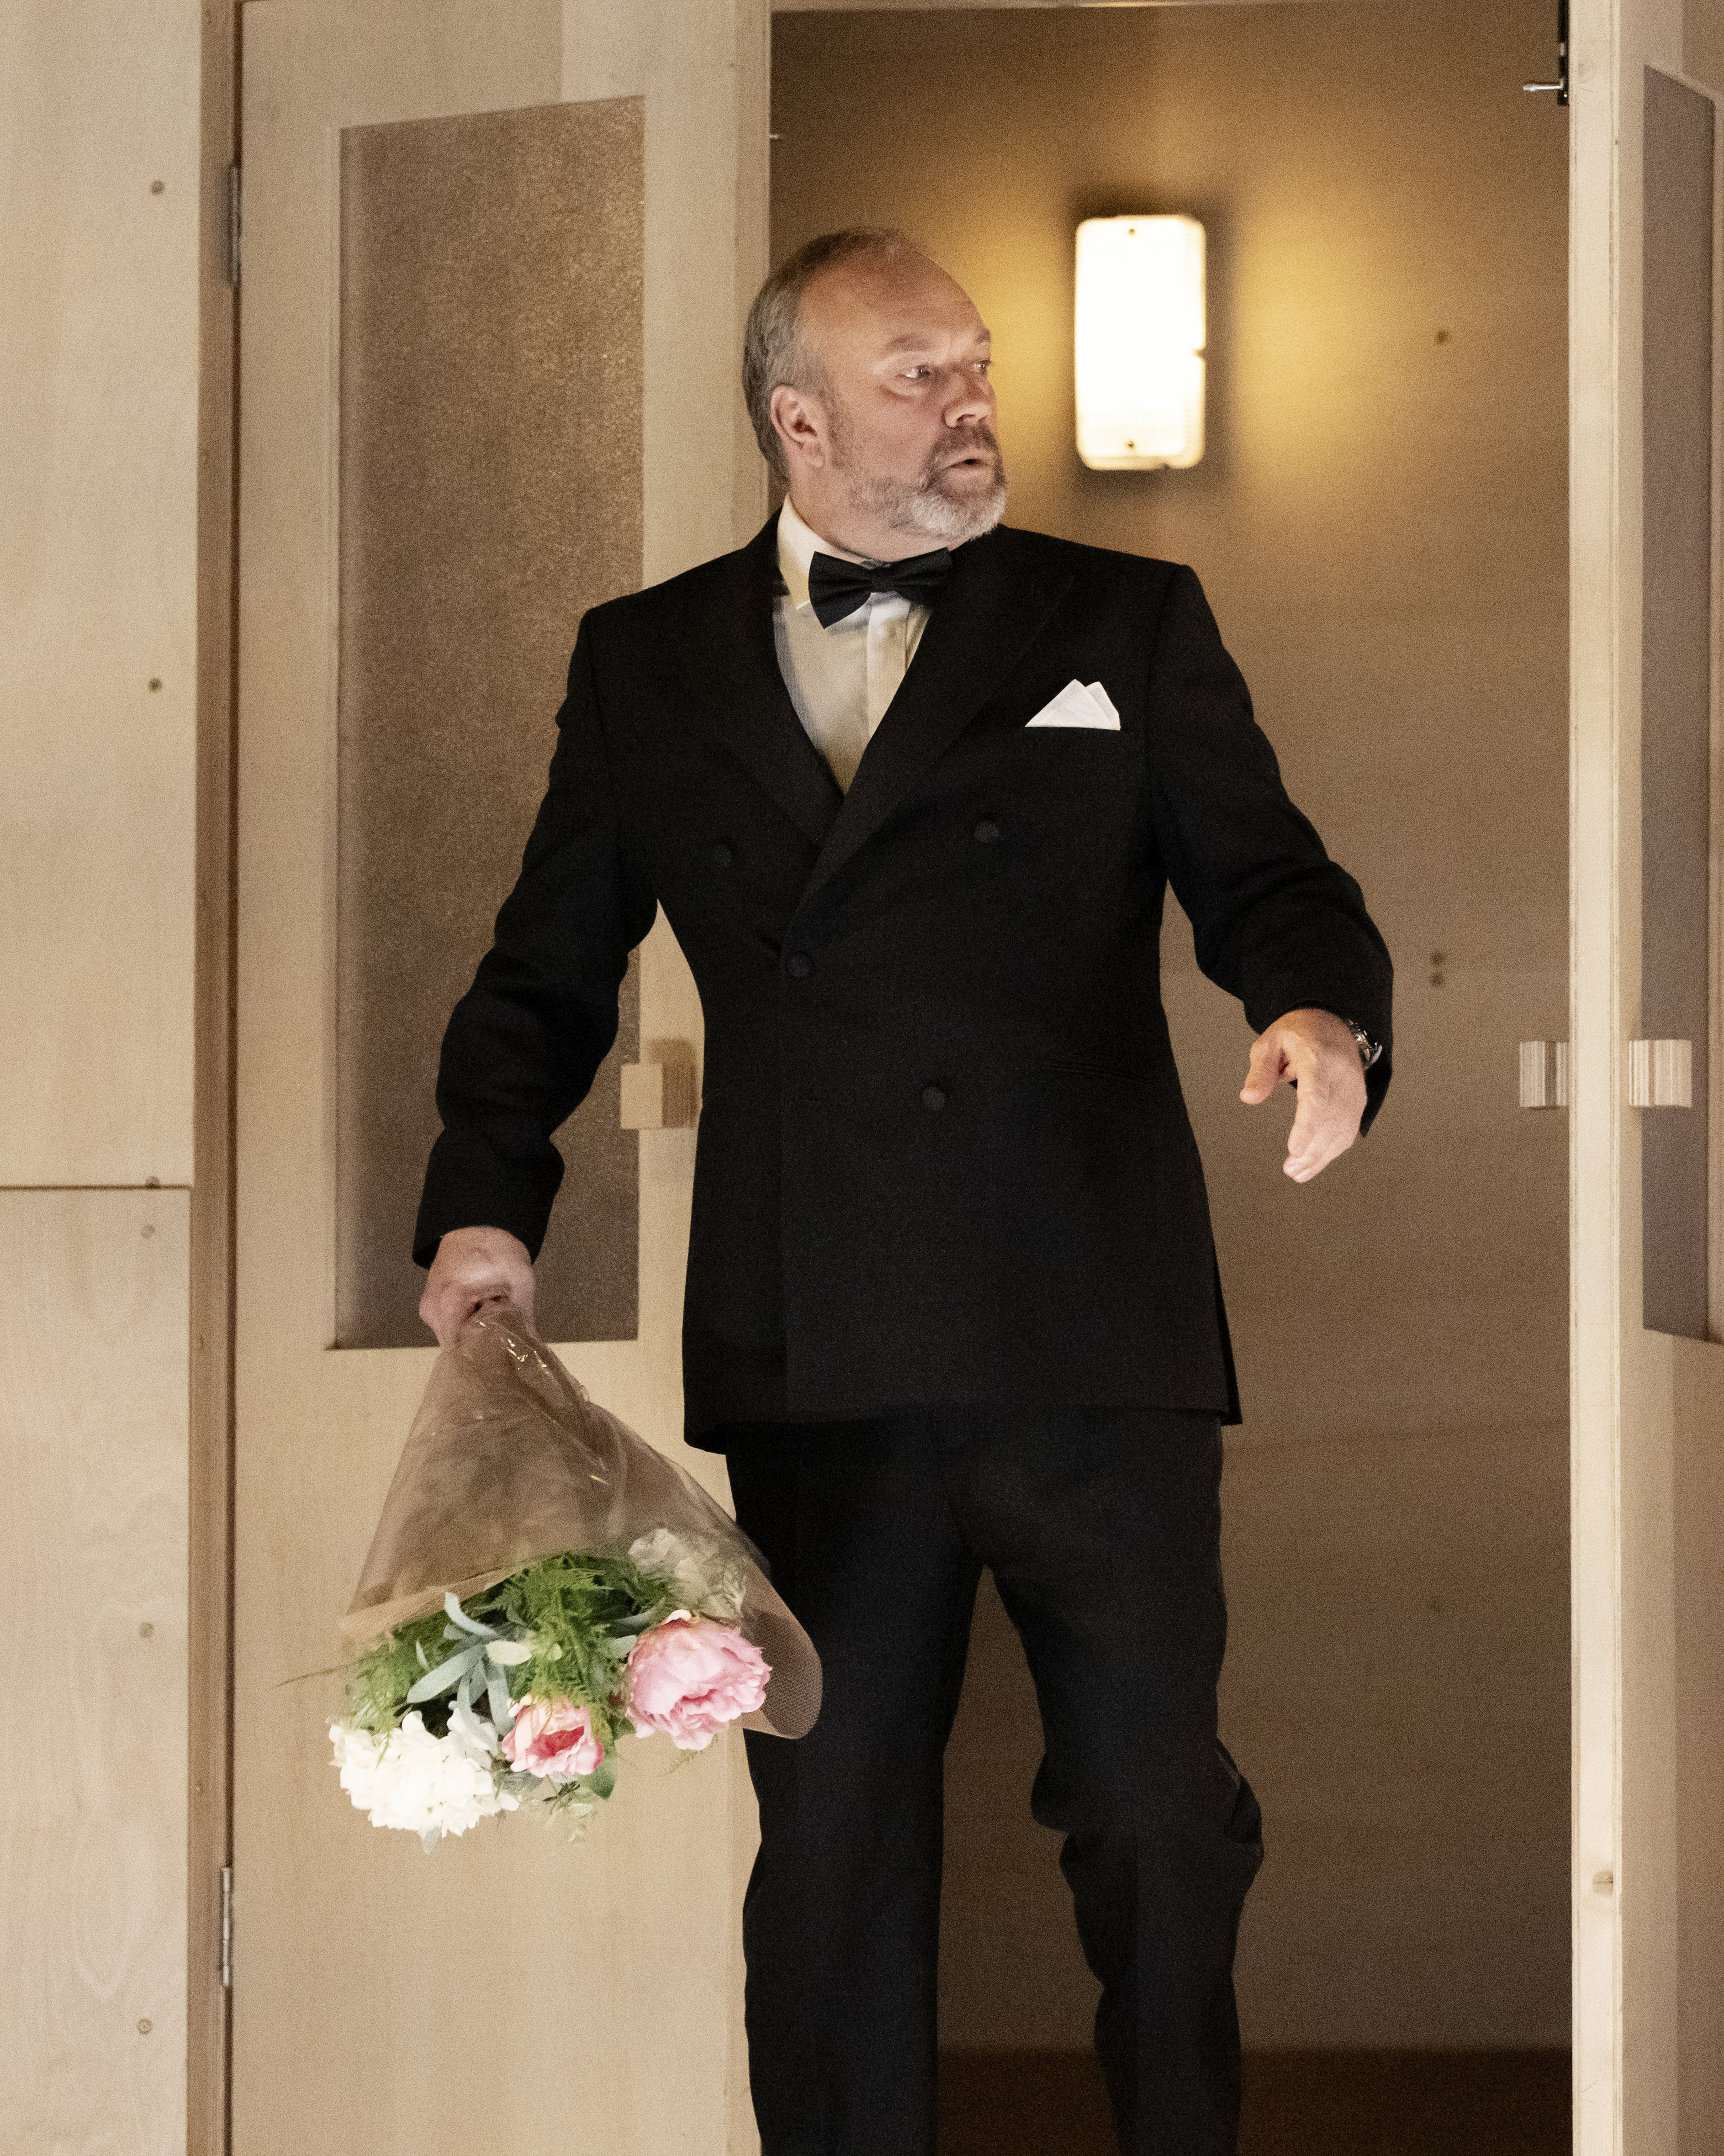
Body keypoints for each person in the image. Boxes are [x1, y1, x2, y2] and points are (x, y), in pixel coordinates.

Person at [411, 226, 1392, 2156]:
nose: (970, 404)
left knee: (1145, 1806)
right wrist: (481, 1205)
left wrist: (1319, 1011)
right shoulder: (648, 661)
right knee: (835, 1834)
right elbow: (544, 967)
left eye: (978, 365)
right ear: (798, 416)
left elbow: (1274, 875)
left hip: (1090, 1326)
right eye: (917, 374)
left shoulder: (1128, 617)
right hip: (822, 1342)